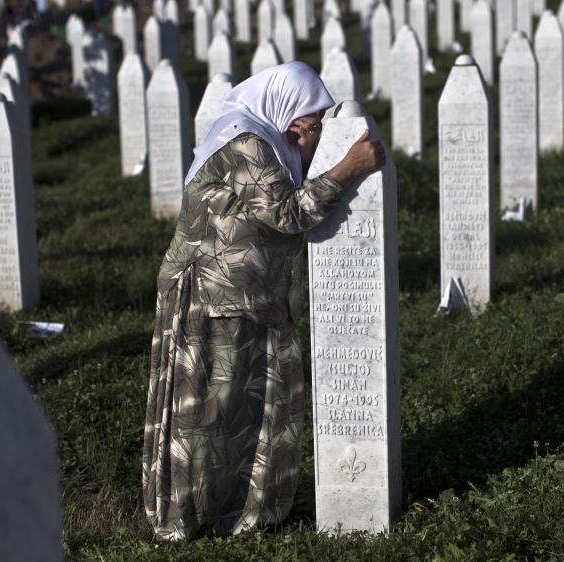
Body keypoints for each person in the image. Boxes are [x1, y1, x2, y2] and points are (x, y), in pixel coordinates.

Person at [143, 61, 386, 539]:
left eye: (314, 127)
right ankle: (185, 519)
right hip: (212, 297)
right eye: (309, 124)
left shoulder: (269, 141)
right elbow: (287, 212)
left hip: (253, 295)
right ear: (284, 110)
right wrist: (347, 167)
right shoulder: (246, 142)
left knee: (253, 409)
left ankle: (243, 512)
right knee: (208, 413)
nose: (310, 136)